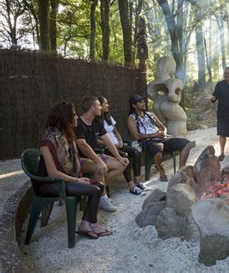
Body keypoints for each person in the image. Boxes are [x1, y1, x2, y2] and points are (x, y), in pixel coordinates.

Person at [38, 102, 111, 239]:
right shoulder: (47, 141)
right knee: (94, 189)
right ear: (65, 118)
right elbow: (53, 173)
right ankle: (92, 224)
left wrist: (78, 178)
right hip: (49, 184)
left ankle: (86, 223)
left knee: (98, 185)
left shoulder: (65, 136)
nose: (77, 117)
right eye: (74, 115)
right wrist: (77, 180)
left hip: (63, 180)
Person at [76, 96, 129, 212]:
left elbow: (107, 141)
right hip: (79, 159)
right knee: (99, 168)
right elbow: (82, 145)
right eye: (98, 105)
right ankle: (102, 198)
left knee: (122, 164)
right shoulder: (79, 124)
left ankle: (96, 191)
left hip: (95, 156)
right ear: (92, 108)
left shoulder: (97, 122)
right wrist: (99, 161)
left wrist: (119, 157)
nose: (101, 107)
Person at [127, 94, 196, 181]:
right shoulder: (131, 118)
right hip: (148, 141)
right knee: (158, 149)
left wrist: (164, 132)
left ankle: (181, 171)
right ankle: (161, 171)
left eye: (143, 101)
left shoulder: (150, 114)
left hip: (162, 138)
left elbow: (163, 127)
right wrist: (153, 135)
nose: (143, 103)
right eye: (140, 102)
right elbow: (136, 136)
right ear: (134, 105)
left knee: (187, 144)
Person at [97, 96, 148, 196]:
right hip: (107, 148)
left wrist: (120, 141)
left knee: (136, 152)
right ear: (99, 106)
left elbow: (116, 132)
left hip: (117, 144)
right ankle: (131, 186)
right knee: (124, 156)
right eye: (105, 104)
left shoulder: (108, 117)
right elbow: (97, 140)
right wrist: (111, 144)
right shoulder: (96, 121)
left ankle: (138, 182)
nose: (108, 105)